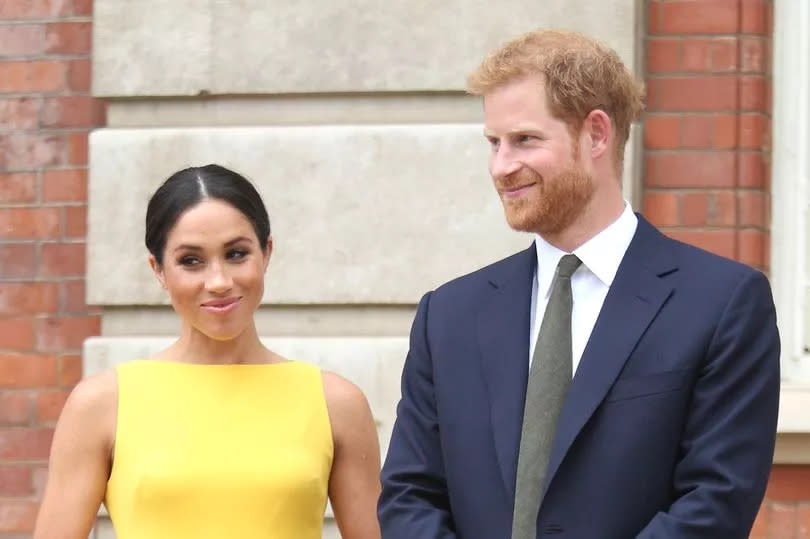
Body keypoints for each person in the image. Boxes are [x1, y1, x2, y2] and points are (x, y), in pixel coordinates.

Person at [379, 29, 780, 538]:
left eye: (524, 139)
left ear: (596, 134)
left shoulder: (721, 303)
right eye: (493, 143)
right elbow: (410, 495)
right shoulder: (449, 314)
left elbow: (714, 503)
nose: (501, 166)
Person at [34, 164, 382, 539]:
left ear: (266, 253)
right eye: (191, 261)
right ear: (158, 270)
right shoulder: (101, 403)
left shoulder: (336, 402)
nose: (219, 282)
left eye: (236, 254)